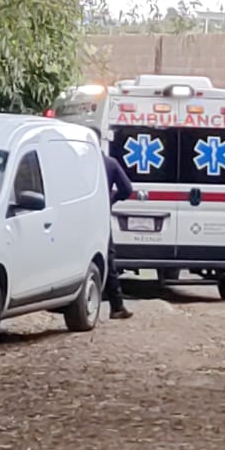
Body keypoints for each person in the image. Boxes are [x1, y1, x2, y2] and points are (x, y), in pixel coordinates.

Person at [101, 136, 135, 320]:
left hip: (73, 217)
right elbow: (127, 189)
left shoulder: (74, 164)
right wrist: (111, 198)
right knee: (107, 259)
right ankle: (117, 306)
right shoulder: (110, 163)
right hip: (100, 218)